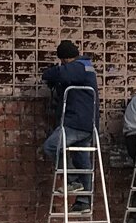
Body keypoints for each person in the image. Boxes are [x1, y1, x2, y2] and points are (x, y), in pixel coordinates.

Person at [42, 40, 99, 211]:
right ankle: (84, 202)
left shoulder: (78, 67)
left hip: (76, 123)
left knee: (51, 146)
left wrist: (51, 75)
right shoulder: (86, 67)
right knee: (82, 161)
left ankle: (72, 180)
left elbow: (53, 74)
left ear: (65, 58)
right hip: (87, 123)